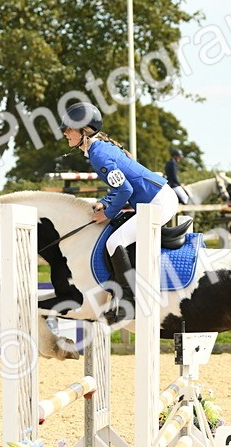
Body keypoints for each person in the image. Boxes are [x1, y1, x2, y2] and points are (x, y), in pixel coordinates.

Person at [62, 102, 176, 325]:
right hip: (156, 198)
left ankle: (128, 303)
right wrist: (105, 203)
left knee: (115, 242)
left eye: (69, 129)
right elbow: (120, 187)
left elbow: (125, 190)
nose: (65, 133)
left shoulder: (98, 154)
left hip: (158, 202)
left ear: (85, 130)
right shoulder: (99, 148)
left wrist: (106, 213)